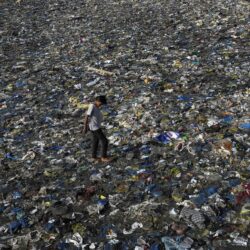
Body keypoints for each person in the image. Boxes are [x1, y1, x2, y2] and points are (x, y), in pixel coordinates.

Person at [83, 96, 111, 163]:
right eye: (101, 103)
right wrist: (85, 127)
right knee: (105, 141)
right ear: (97, 101)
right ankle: (104, 157)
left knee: (95, 141)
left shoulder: (96, 107)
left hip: (95, 127)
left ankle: (93, 157)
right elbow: (87, 116)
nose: (101, 105)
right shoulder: (92, 106)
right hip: (94, 127)